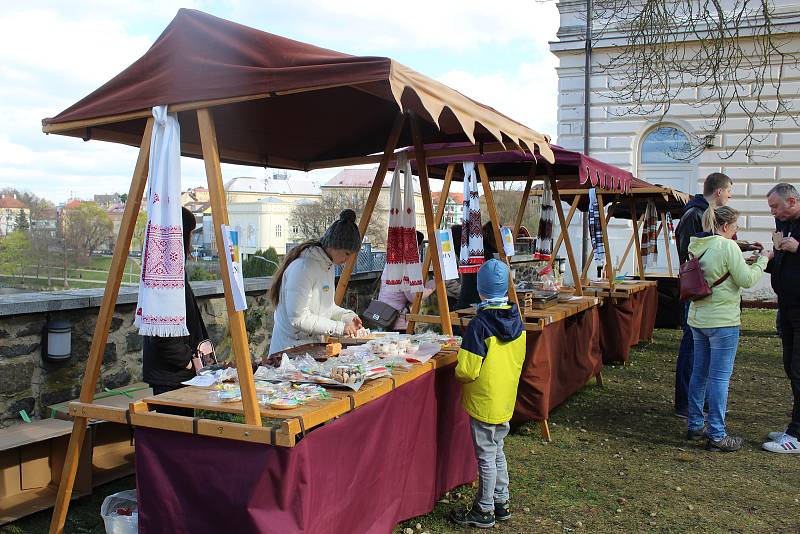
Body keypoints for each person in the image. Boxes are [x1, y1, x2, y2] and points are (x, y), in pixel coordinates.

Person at [450, 259, 526, 528]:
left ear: (481, 291)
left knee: (485, 456)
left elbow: (467, 370)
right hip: (505, 398)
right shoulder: (517, 321)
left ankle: (484, 509)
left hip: (483, 402)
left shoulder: (479, 326)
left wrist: (457, 369)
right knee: (497, 451)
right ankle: (501, 501)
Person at [685, 206, 768, 452]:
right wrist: (763, 260)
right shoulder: (727, 246)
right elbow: (747, 280)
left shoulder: (696, 245)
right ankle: (717, 435)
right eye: (735, 226)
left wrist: (743, 259)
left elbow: (717, 269)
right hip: (723, 321)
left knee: (699, 373)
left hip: (698, 318)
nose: (736, 230)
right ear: (724, 227)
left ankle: (695, 425)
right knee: (719, 378)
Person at [673, 172, 733, 418]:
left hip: (707, 293)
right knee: (691, 348)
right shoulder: (694, 215)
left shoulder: (704, 214)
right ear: (718, 191)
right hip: (697, 293)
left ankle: (700, 401)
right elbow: (691, 256)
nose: (730, 195)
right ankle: (685, 403)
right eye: (729, 190)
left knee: (704, 351)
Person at [142, 207, 208, 416]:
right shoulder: (166, 275)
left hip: (176, 374)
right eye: (190, 233)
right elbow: (162, 334)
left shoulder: (170, 269)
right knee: (177, 437)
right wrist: (188, 361)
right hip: (172, 376)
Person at [268, 209, 363, 354]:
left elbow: (326, 309)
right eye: (347, 253)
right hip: (288, 351)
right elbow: (299, 318)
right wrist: (339, 328)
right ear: (334, 246)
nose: (348, 260)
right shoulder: (304, 267)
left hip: (309, 350)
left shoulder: (327, 265)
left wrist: (347, 317)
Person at [763, 183, 800, 453]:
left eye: (776, 206)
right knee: (790, 366)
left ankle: (797, 435)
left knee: (799, 369)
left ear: (792, 200)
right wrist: (768, 259)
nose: (774, 212)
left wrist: (798, 248)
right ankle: (794, 427)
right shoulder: (783, 222)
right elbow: (783, 262)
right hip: (787, 304)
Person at [376, 231, 434, 333]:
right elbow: (413, 296)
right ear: (418, 246)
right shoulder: (409, 264)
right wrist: (432, 286)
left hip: (382, 312)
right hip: (395, 318)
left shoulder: (393, 260)